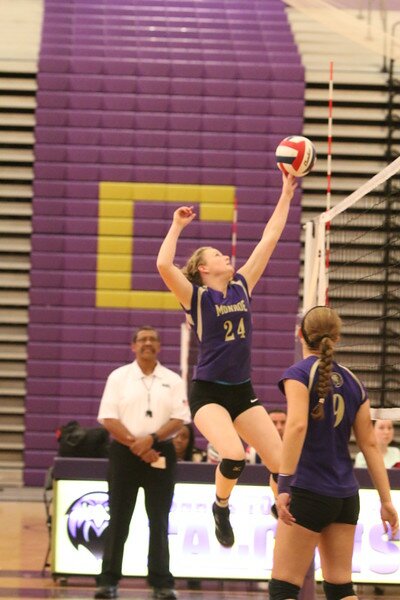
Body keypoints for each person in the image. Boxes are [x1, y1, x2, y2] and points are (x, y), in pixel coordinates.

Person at [157, 173, 297, 548]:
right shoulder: (198, 298)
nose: (225, 256)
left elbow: (270, 238)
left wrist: (285, 193)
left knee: (282, 465)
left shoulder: (242, 286)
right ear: (204, 269)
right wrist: (176, 226)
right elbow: (164, 266)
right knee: (233, 454)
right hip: (208, 395)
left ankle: (277, 503)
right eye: (217, 255)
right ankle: (221, 507)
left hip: (241, 391)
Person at [269, 306, 399, 600]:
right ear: (337, 338)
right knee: (340, 589)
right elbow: (369, 446)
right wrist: (386, 501)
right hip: (345, 497)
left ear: (300, 335)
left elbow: (297, 426)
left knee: (283, 588)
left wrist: (284, 485)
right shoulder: (354, 382)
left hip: (308, 490)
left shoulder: (298, 374)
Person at [94, 326, 191, 600]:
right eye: (142, 339)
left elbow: (179, 418)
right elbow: (109, 418)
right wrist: (137, 446)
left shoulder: (172, 380)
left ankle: (161, 582)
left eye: (153, 340)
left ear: (159, 346)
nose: (147, 343)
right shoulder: (119, 377)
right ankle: (108, 580)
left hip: (160, 452)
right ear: (133, 346)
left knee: (159, 520)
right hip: (125, 454)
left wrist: (151, 440)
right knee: (119, 519)